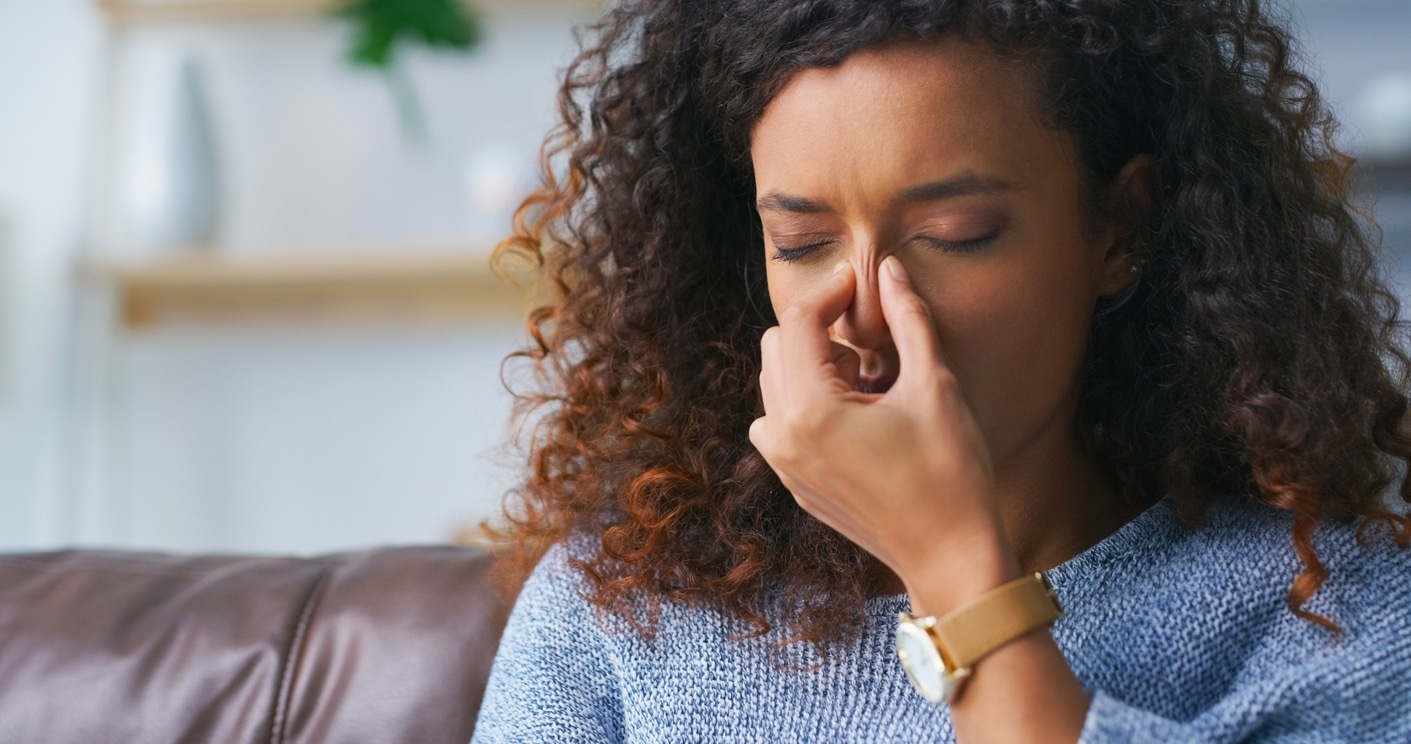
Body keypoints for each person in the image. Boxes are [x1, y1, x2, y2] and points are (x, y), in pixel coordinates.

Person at [472, 0, 1411, 741]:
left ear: (1118, 229)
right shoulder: (618, 609)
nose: (870, 312)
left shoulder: (1325, 605)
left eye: (954, 236)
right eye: (801, 244)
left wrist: (955, 575)